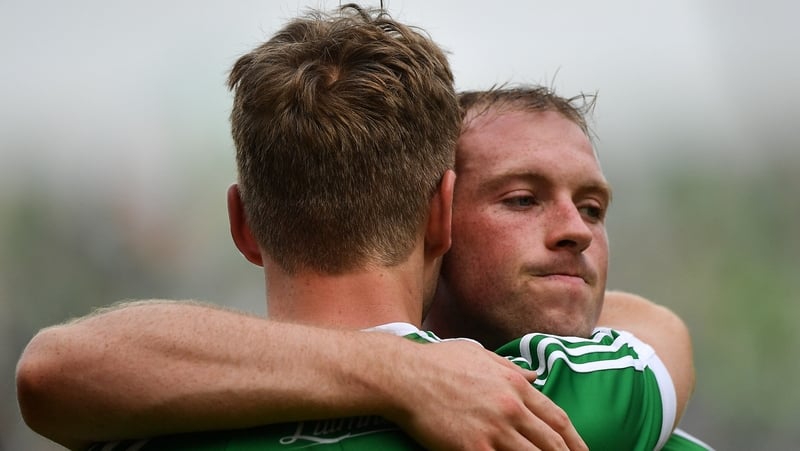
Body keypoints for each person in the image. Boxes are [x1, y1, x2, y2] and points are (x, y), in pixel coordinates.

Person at [15, 6, 705, 451]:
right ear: (443, 214)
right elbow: (661, 333)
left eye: (592, 207)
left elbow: (51, 369)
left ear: (243, 225)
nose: (575, 232)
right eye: (522, 198)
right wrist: (409, 368)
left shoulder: (145, 419)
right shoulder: (540, 404)